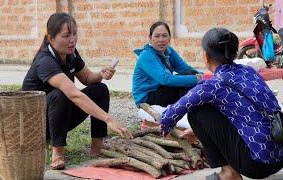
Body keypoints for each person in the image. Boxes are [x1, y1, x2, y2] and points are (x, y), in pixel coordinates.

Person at [160, 27, 283, 179]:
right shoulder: (248, 71)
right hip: (279, 157)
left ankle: (228, 173)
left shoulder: (213, 85)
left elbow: (170, 115)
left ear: (206, 56)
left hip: (256, 164)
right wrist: (198, 132)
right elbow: (242, 111)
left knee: (197, 111)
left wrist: (164, 126)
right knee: (218, 105)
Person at [22, 12, 133, 170]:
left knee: (100, 89)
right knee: (59, 95)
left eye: (74, 34)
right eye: (66, 35)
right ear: (50, 38)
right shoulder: (45, 60)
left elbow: (87, 77)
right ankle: (57, 152)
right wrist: (109, 120)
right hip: (37, 124)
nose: (72, 40)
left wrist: (100, 74)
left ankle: (97, 146)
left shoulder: (71, 53)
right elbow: (74, 94)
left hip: (59, 116)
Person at [132, 21, 201, 107]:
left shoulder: (169, 51)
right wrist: (197, 79)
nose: (161, 40)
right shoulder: (146, 55)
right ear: (150, 38)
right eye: (157, 36)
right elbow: (164, 79)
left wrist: (205, 76)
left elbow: (186, 69)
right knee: (186, 84)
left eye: (164, 35)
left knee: (190, 74)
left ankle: (186, 111)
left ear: (169, 38)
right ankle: (185, 112)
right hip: (147, 98)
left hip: (161, 90)